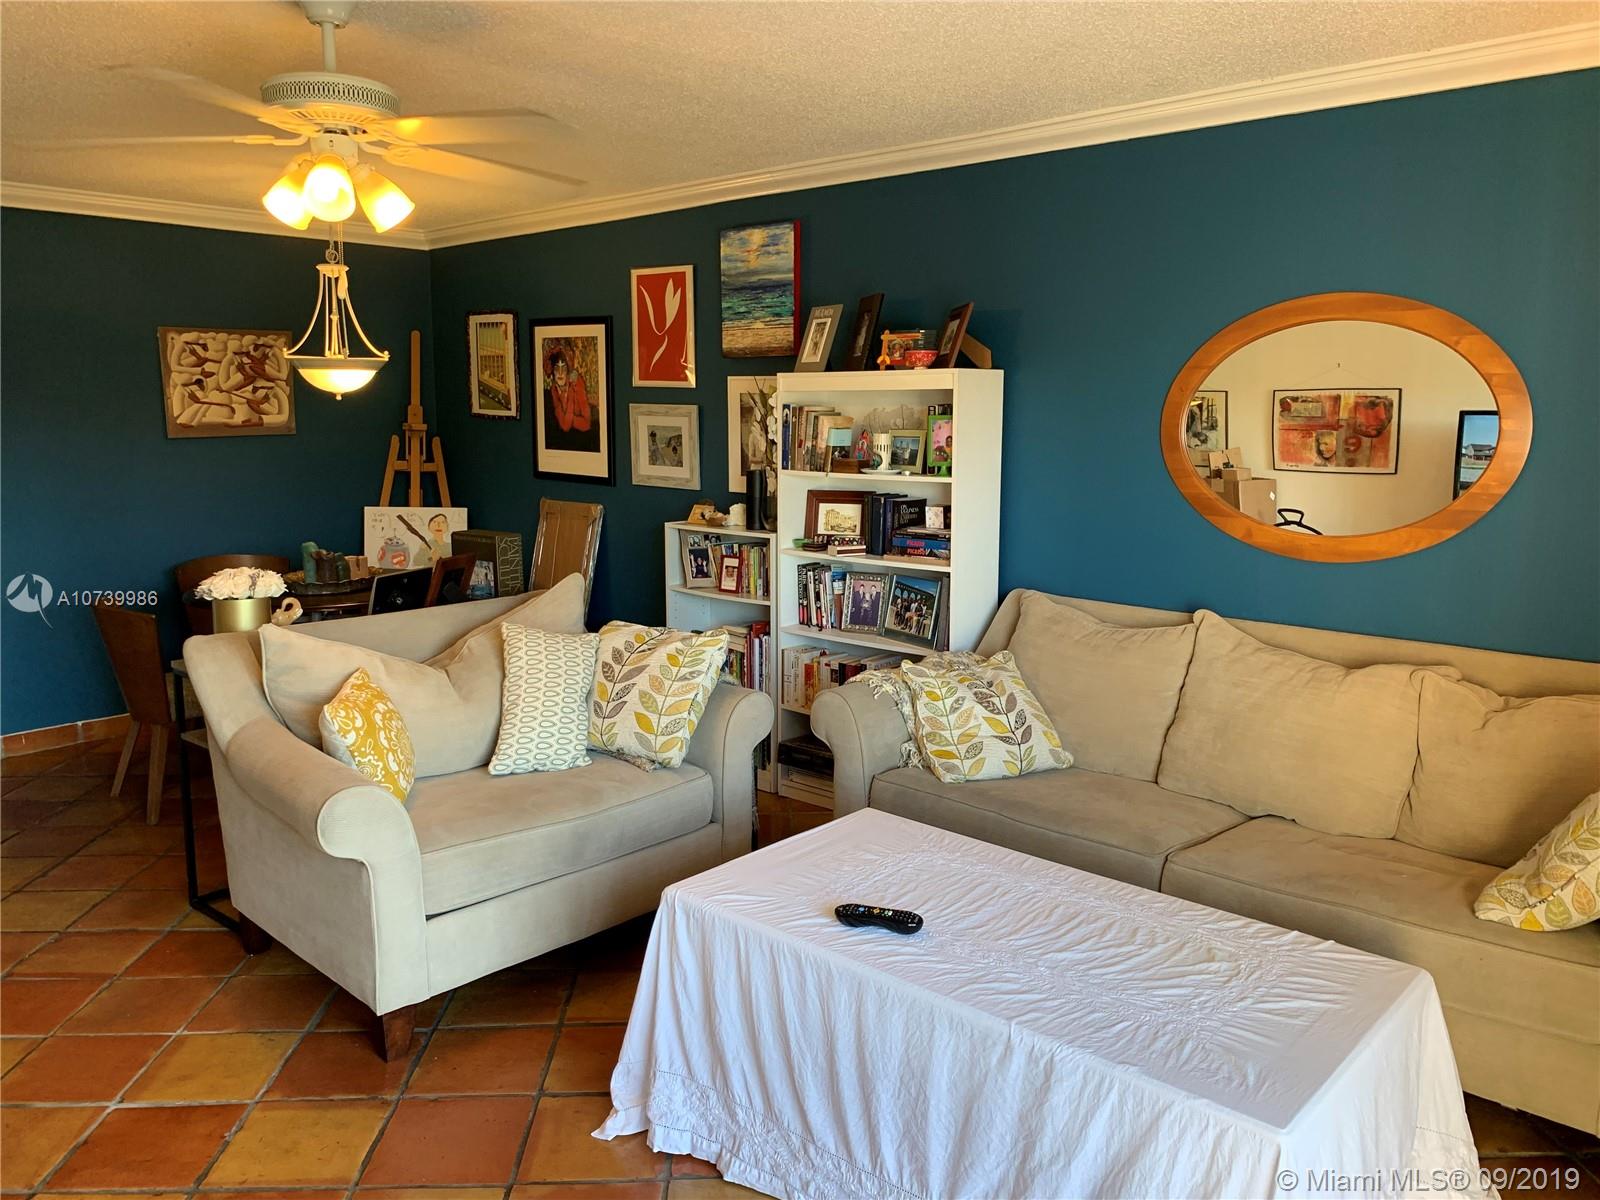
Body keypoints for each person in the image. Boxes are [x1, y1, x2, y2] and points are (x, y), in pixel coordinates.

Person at [545, 347, 596, 451]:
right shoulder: (554, 390)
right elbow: (564, 425)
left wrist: (571, 391)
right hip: (563, 443)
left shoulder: (577, 383)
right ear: (553, 371)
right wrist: (572, 419)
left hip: (584, 440)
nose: (560, 373)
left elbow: (586, 424)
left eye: (563, 368)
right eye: (557, 369)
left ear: (568, 370)